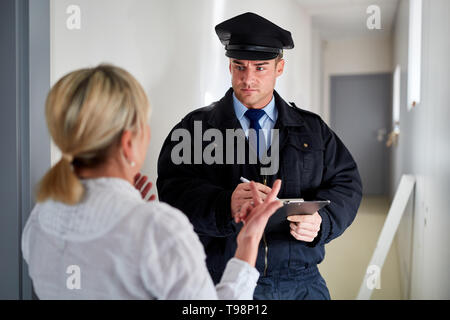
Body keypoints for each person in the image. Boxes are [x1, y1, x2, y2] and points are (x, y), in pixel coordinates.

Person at [21, 64, 283, 299]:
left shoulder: (40, 219)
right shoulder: (158, 229)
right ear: (128, 142)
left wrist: (130, 207)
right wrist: (249, 243)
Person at [157, 12, 363, 300]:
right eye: (239, 66)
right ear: (230, 65)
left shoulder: (312, 129)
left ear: (280, 67)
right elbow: (172, 190)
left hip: (302, 281)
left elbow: (347, 183)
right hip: (225, 279)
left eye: (260, 68)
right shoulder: (195, 129)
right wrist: (223, 204)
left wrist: (323, 221)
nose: (247, 79)